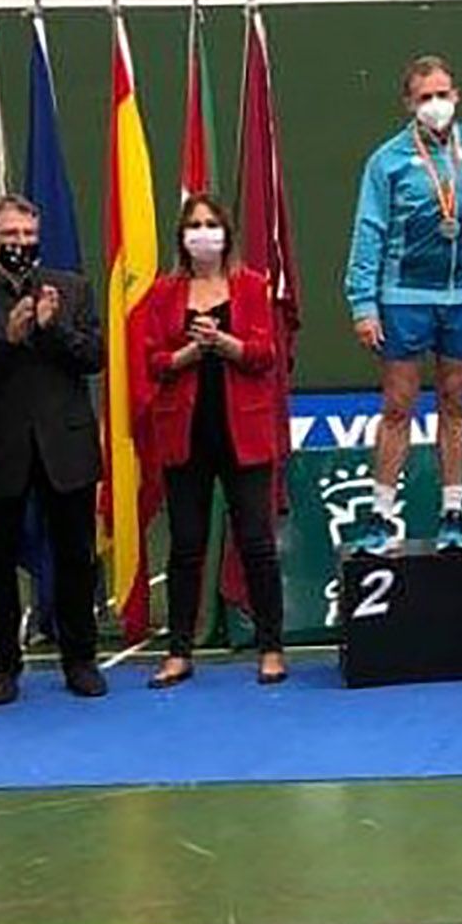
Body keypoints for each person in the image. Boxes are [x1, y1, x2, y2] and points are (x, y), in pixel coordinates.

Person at [0, 194, 106, 704]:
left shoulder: (72, 289)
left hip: (67, 447)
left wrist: (52, 327)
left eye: (27, 236)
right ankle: (2, 666)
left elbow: (93, 358)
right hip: (0, 447)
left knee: (76, 556)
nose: (19, 245)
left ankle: (80, 658)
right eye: (10, 236)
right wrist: (9, 338)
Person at [343, 55, 462, 552]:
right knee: (398, 406)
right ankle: (380, 516)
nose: (436, 104)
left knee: (456, 402)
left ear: (457, 97)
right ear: (409, 103)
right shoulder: (386, 160)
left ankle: (454, 514)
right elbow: (369, 232)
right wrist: (363, 304)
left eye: (443, 94)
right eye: (425, 96)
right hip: (404, 295)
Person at [138, 194, 288, 686]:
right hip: (185, 436)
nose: (203, 233)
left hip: (243, 433)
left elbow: (267, 353)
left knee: (256, 542)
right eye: (194, 225)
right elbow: (154, 361)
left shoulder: (252, 287)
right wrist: (188, 353)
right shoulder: (164, 293)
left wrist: (225, 345)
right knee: (185, 545)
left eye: (211, 224)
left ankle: (271, 647)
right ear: (181, 237)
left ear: (226, 233)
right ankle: (179, 651)